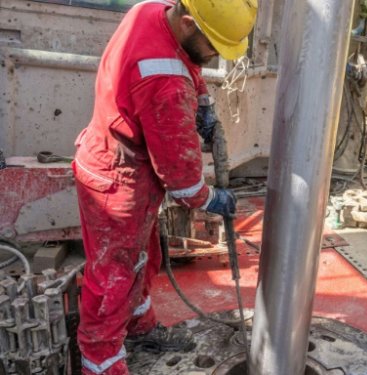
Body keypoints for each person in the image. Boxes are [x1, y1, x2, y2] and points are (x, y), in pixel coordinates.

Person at [72, 0, 257, 373]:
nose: (215, 57)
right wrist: (213, 198)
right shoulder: (166, 85)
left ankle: (139, 328)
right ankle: (101, 360)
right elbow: (183, 183)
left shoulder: (153, 10)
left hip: (125, 165)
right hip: (117, 180)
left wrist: (202, 99)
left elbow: (187, 59)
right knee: (113, 275)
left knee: (143, 259)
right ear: (189, 23)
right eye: (214, 47)